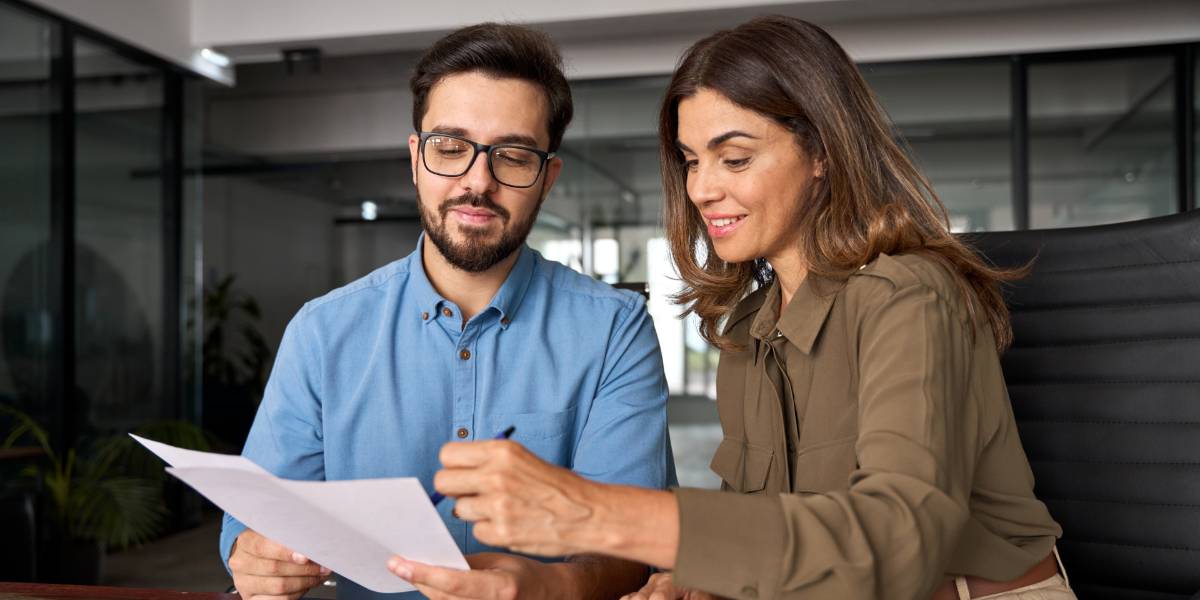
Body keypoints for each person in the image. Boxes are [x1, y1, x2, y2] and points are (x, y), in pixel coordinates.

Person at [395, 16, 1074, 600]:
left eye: (735, 157)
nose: (702, 189)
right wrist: (698, 575)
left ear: (822, 153)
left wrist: (596, 514)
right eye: (691, 161)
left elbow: (896, 544)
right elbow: (774, 533)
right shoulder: (750, 330)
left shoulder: (912, 296)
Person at [220, 23, 674, 600]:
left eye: (512, 155)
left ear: (547, 178)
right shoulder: (322, 331)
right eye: (451, 148)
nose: (476, 182)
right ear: (416, 158)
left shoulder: (615, 330)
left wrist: (545, 584)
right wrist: (252, 554)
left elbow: (631, 550)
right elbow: (257, 517)